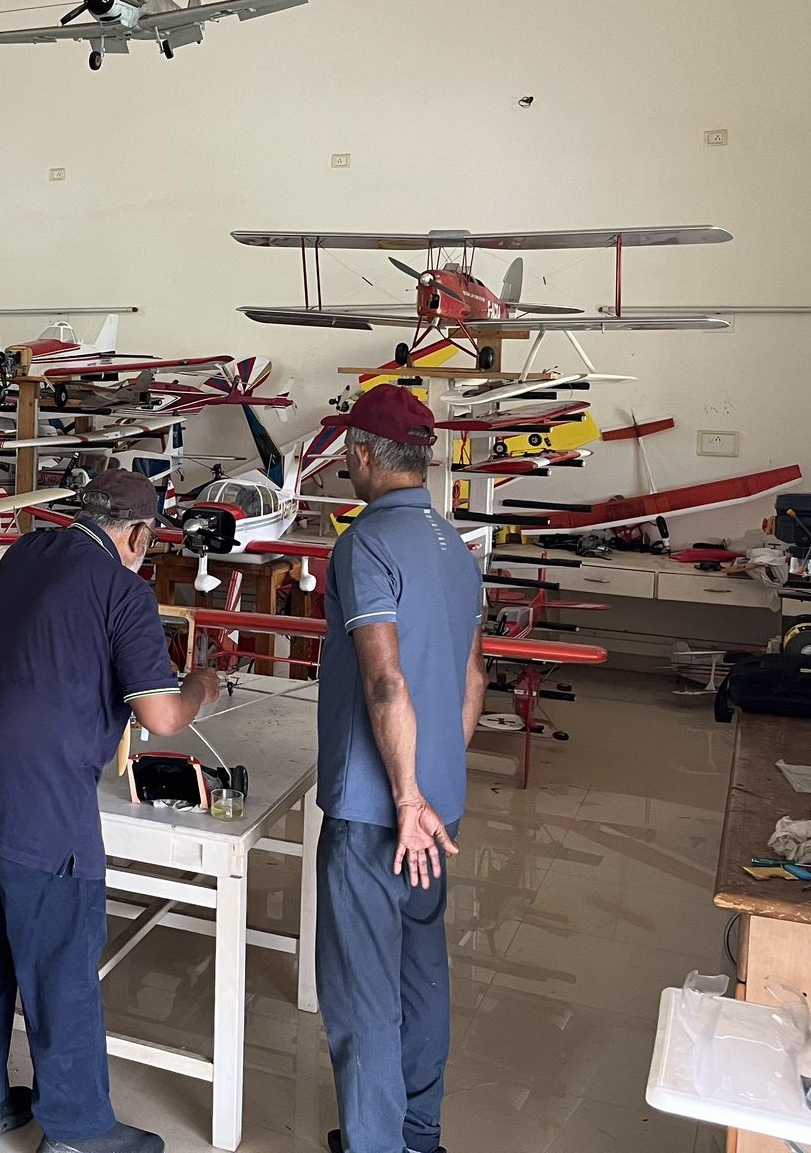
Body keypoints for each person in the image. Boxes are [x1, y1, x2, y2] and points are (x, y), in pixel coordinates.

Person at [0, 470, 219, 1153]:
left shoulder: (25, 552)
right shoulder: (126, 591)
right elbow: (163, 716)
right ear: (139, 533)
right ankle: (79, 1131)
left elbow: (48, 653)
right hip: (35, 793)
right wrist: (203, 684)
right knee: (60, 961)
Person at [314, 384, 485, 1153]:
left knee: (362, 991)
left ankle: (373, 1145)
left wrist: (404, 792)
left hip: (377, 808)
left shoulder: (363, 544)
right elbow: (474, 680)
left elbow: (385, 680)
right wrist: (435, 782)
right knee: (422, 968)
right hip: (437, 806)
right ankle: (420, 1135)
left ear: (360, 456)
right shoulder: (457, 547)